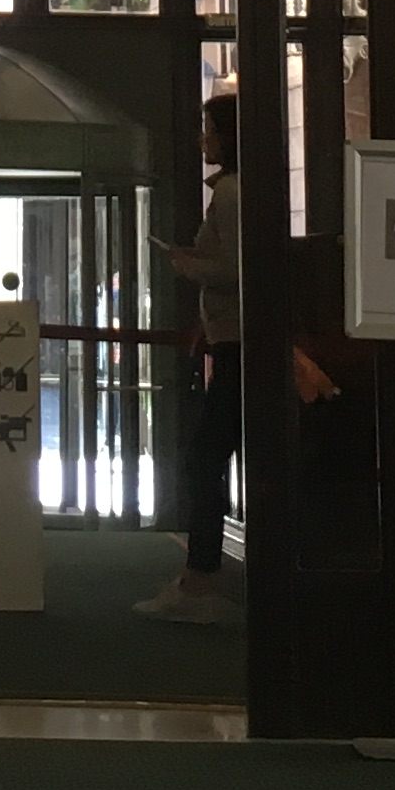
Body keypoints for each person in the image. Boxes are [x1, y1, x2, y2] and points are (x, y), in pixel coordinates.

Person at [136, 88, 243, 622]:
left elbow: (242, 268)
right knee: (208, 456)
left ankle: (200, 579)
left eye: (209, 129)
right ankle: (200, 576)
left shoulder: (231, 193)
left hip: (238, 343)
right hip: (232, 341)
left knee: (205, 458)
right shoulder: (234, 190)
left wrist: (190, 266)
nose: (203, 139)